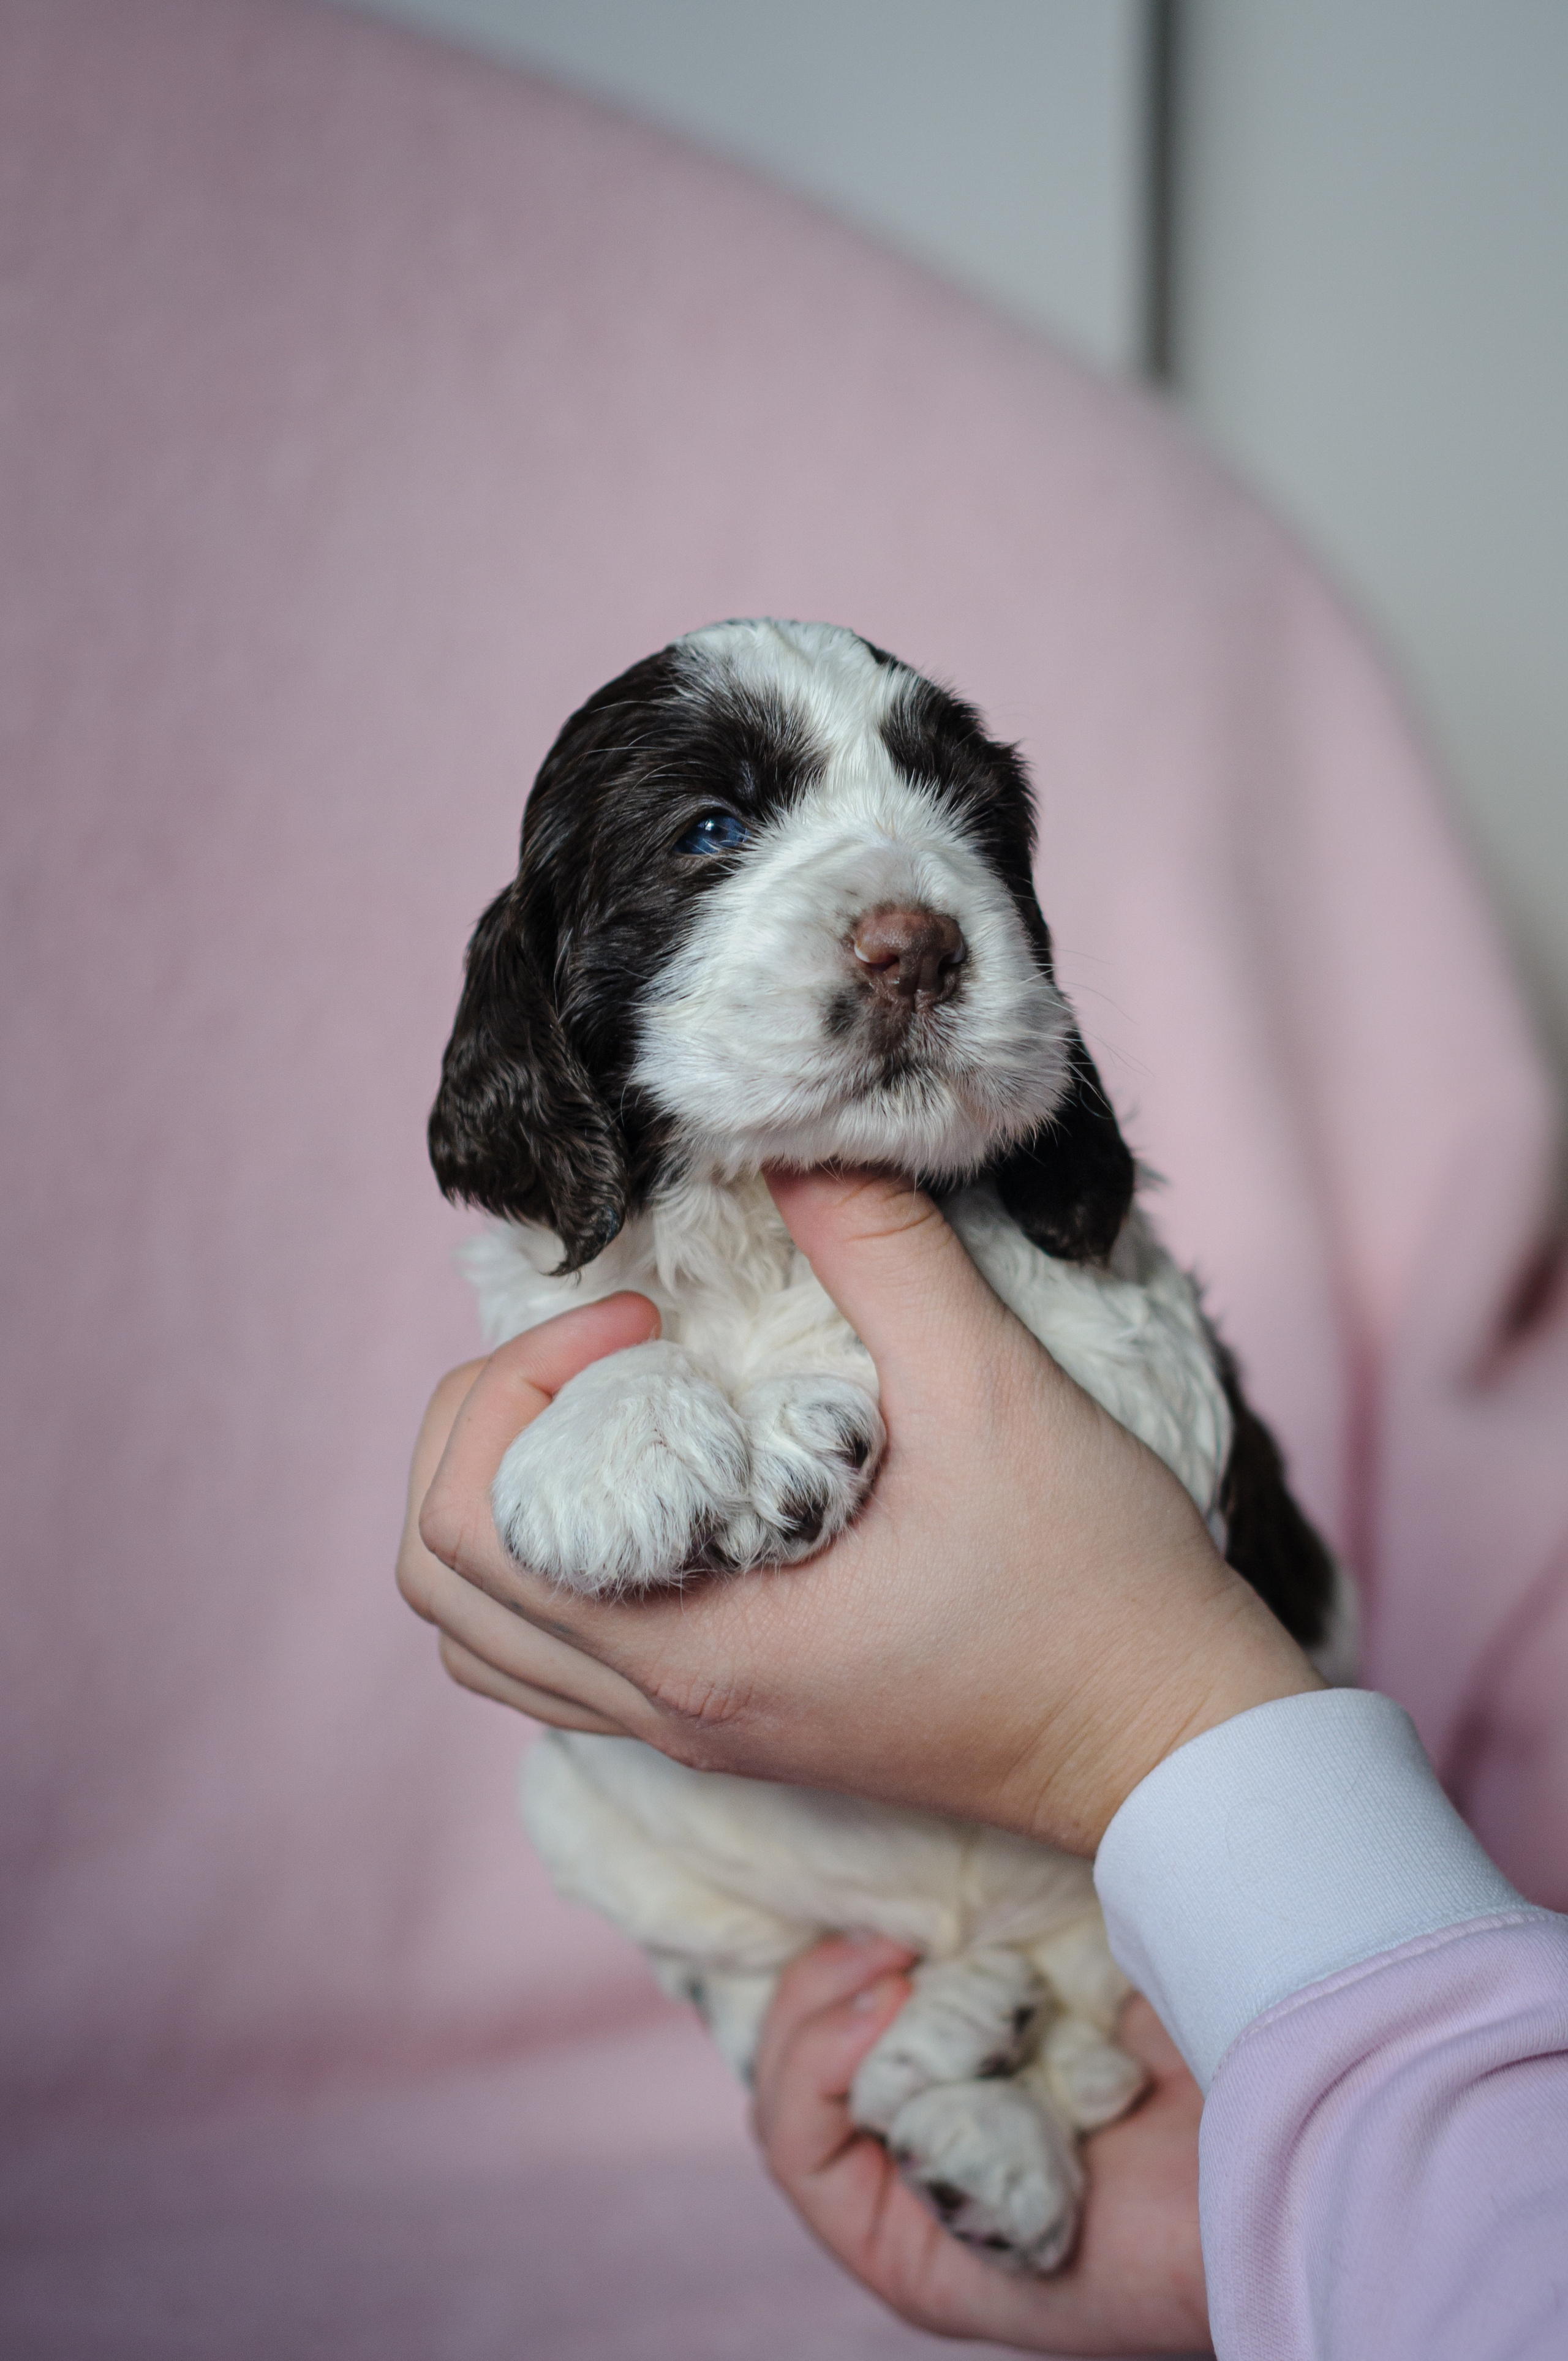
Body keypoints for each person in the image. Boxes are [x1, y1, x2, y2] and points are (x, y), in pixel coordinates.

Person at [398, 1169, 1568, 2360]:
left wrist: (1133, 1714)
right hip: (1017, 1980)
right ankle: (1004, 2046)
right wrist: (1285, 2244)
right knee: (610, 1831)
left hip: (1127, 1940)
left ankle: (1028, 2040)